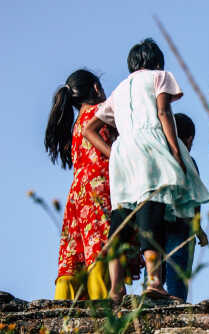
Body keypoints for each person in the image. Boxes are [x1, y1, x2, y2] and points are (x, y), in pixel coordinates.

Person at [83, 38, 209, 302]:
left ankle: (115, 290)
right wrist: (175, 150)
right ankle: (154, 282)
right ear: (157, 61)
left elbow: (89, 129)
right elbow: (164, 113)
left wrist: (111, 153)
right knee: (151, 211)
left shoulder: (119, 89)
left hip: (122, 152)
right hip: (150, 147)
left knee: (121, 219)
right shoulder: (159, 76)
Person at [45, 69, 115, 300]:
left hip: (77, 193)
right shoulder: (101, 113)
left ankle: (63, 303)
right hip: (100, 187)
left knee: (74, 252)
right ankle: (101, 304)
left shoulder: (76, 125)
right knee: (101, 245)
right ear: (96, 88)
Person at [160, 112, 208, 302]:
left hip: (157, 221)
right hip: (183, 225)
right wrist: (199, 229)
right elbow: (195, 197)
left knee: (155, 267)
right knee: (177, 274)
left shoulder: (159, 155)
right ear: (189, 140)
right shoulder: (189, 160)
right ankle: (177, 304)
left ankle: (150, 302)